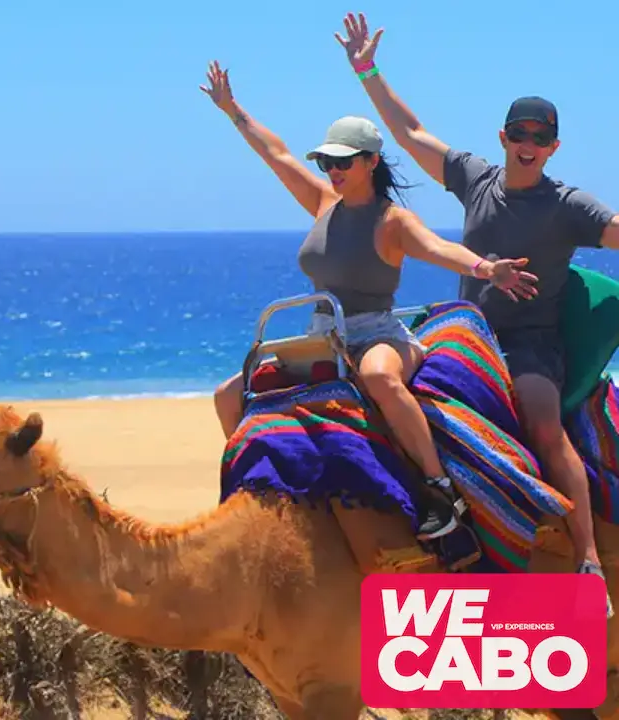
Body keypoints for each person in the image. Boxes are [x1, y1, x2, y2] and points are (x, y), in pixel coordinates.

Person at [334, 11, 619, 615]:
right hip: (467, 335)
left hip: (531, 345)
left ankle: (588, 560)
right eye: (521, 133)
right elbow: (410, 134)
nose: (529, 145)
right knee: (378, 393)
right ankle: (429, 517)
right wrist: (368, 71)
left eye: (541, 137)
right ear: (503, 136)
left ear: (554, 147)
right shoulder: (476, 179)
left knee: (542, 420)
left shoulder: (567, 204)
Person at [199, 60, 539, 542]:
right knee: (228, 395)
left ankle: (440, 490)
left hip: (376, 333)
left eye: (343, 162)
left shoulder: (392, 221)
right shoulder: (322, 203)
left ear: (371, 162)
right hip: (323, 337)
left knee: (380, 376)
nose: (333, 171)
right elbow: (276, 155)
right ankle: (254, 491)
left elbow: (439, 249)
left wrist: (487, 269)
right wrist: (234, 111)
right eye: (327, 162)